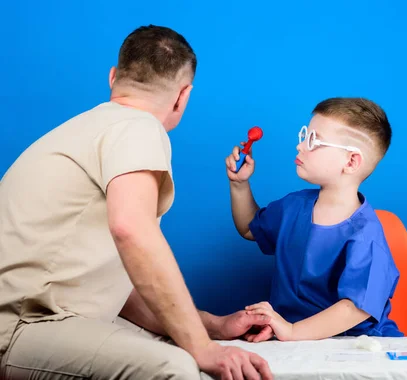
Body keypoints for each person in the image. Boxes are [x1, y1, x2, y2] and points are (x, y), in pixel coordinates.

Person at [0, 25, 273, 380]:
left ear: (113, 78)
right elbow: (132, 230)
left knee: (172, 346)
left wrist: (213, 327)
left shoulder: (87, 128)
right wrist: (202, 347)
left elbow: (117, 289)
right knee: (175, 367)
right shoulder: (137, 127)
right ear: (183, 96)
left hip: (40, 322)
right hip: (25, 328)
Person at [225, 97, 403, 342]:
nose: (300, 147)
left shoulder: (366, 236)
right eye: (303, 136)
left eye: (313, 141)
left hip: (355, 345)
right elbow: (248, 228)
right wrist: (239, 185)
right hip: (292, 340)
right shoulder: (293, 206)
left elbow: (355, 308)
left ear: (351, 161)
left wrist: (292, 331)